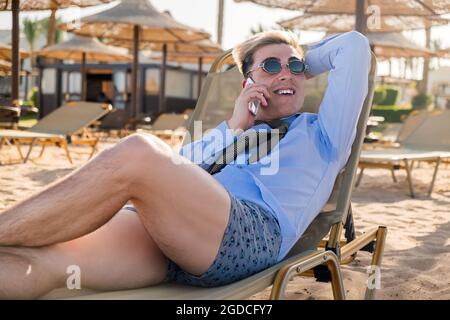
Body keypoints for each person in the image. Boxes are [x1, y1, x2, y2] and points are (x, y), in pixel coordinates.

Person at [0, 30, 371, 299]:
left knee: (139, 150)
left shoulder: (323, 134)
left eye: (294, 66)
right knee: (45, 263)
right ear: (248, 83)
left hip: (252, 232)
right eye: (271, 65)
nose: (285, 72)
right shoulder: (227, 132)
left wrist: (303, 63)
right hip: (174, 236)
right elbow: (176, 172)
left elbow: (353, 47)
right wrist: (235, 127)